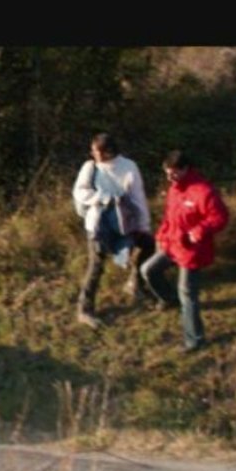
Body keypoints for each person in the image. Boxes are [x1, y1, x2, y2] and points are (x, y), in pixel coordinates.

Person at [141, 150, 229, 353]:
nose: (169, 178)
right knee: (148, 270)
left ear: (185, 169)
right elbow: (170, 217)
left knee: (188, 293)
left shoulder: (203, 191)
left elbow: (220, 217)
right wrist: (162, 235)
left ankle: (194, 340)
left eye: (173, 173)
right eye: (166, 173)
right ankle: (169, 299)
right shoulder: (174, 190)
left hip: (192, 251)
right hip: (172, 244)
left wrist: (201, 229)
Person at [72, 132, 155, 329]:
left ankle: (135, 282)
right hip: (98, 224)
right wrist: (102, 198)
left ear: (109, 151)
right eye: (92, 150)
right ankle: (84, 308)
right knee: (97, 265)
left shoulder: (128, 167)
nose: (93, 154)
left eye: (97, 151)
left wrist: (143, 225)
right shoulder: (90, 167)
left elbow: (137, 197)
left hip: (125, 223)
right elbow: (80, 192)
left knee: (148, 245)